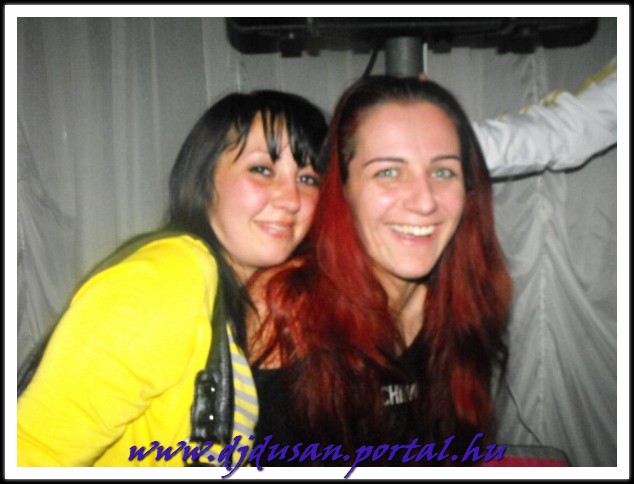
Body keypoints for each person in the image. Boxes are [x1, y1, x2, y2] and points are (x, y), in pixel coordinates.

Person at [17, 90, 328, 467]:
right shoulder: (169, 279)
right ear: (204, 177)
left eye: (308, 178)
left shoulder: (226, 293)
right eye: (262, 169)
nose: (291, 199)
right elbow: (30, 453)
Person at [247, 76, 512, 467]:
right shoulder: (285, 305)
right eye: (388, 172)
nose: (424, 202)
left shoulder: (465, 304)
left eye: (443, 172)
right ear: (342, 187)